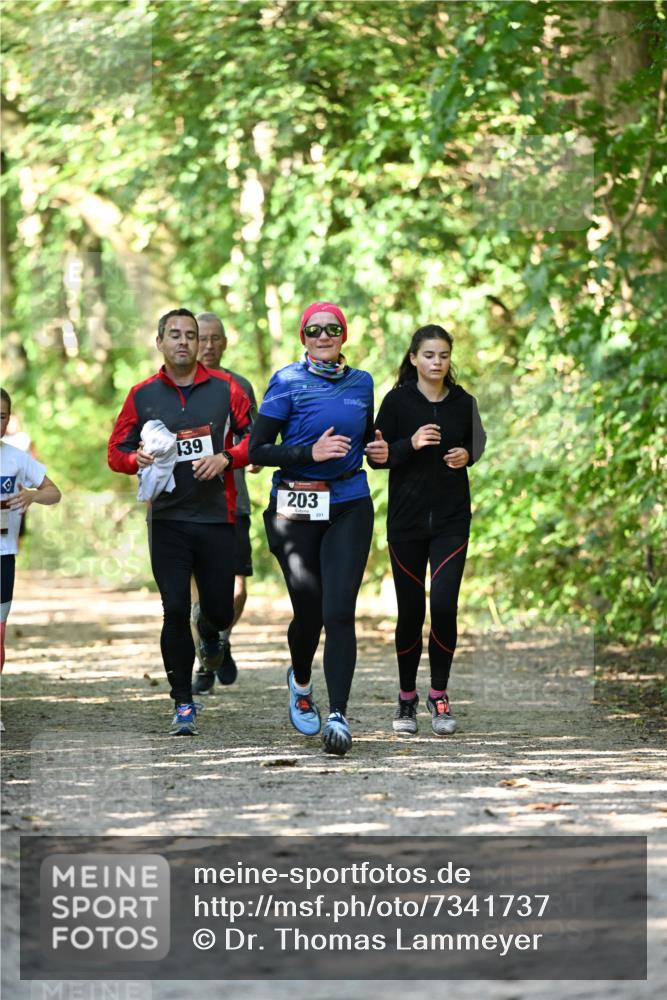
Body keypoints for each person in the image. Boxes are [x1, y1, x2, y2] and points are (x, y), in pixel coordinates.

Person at [249, 301, 388, 757]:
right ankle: (301, 680)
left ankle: (339, 715)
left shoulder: (361, 383)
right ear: (303, 335)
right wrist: (311, 452)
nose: (323, 335)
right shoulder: (287, 381)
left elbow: (365, 441)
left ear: (343, 336)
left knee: (339, 610)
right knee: (308, 610)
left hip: (348, 503)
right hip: (295, 505)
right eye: (314, 329)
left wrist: (379, 451)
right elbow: (258, 450)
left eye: (332, 328)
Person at [107, 309, 253, 736]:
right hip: (167, 518)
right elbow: (116, 452)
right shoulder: (142, 394)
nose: (185, 342)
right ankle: (183, 704)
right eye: (176, 335)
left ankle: (211, 634)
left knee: (220, 609)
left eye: (191, 335)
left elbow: (255, 439)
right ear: (160, 342)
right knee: (173, 610)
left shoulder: (227, 390)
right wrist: (138, 459)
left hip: (216, 518)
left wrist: (226, 457)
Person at [369, 324, 486, 736]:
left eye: (444, 356)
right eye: (430, 355)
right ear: (414, 358)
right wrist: (411, 444)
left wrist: (466, 454)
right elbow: (377, 458)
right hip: (406, 522)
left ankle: (439, 694)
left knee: (445, 607)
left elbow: (479, 440)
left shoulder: (463, 401)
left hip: (453, 520)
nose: (438, 363)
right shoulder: (396, 402)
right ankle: (406, 699)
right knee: (411, 611)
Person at [190, 311, 260, 694]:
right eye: (202, 338)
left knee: (236, 587)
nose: (209, 346)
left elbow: (256, 438)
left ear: (226, 343)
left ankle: (221, 640)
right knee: (197, 588)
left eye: (216, 339)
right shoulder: (174, 387)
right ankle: (205, 657)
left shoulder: (240, 385)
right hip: (189, 504)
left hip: (234, 502)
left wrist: (255, 458)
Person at [1, 388, 62, 729]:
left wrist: (33, 495)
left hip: (3, 553)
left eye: (2, 416)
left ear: (9, 420)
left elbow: (55, 492)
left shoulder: (16, 457)